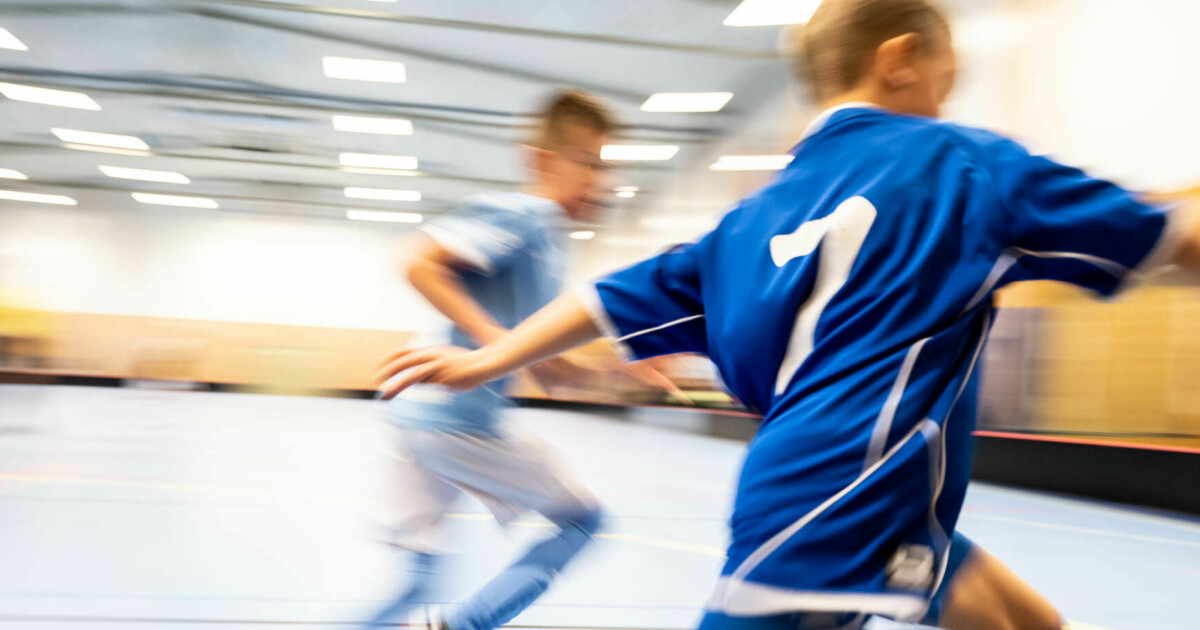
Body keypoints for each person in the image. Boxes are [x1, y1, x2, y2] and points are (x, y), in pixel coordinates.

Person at [376, 1, 1200, 628]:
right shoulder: (961, 163)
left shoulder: (750, 219)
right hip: (841, 509)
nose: (948, 102)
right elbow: (1174, 235)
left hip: (827, 502)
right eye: (947, 80)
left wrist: (489, 358)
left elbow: (605, 297)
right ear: (900, 61)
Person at [365, 90, 617, 630]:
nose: (599, 181)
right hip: (454, 423)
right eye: (587, 163)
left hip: (415, 420)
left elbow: (543, 365)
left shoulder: (552, 246)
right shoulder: (525, 216)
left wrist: (618, 373)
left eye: (604, 167)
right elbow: (416, 260)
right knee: (585, 520)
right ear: (541, 161)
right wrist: (493, 344)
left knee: (418, 585)